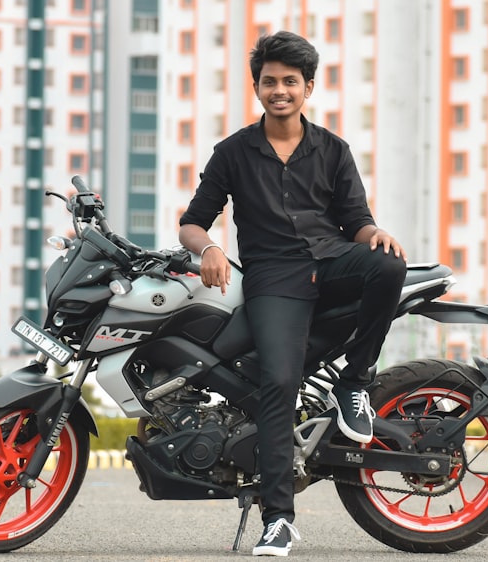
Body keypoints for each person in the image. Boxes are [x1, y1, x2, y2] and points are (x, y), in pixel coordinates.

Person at [178, 31, 408, 557]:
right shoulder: (233, 152)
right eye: (269, 82)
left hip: (331, 262)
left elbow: (357, 223)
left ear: (308, 87)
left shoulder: (333, 150)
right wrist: (209, 248)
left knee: (389, 264)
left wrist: (375, 237)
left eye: (289, 82)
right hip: (274, 279)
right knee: (277, 382)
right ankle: (279, 519)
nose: (279, 90)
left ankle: (355, 381)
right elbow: (193, 222)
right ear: (257, 87)